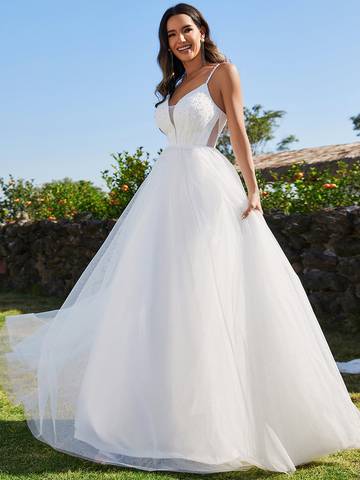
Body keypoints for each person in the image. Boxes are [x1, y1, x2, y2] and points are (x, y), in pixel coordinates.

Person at [1, 2, 360, 475]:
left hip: (205, 188)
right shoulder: (172, 85)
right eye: (170, 34)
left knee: (204, 295)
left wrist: (253, 188)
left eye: (186, 29)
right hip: (164, 194)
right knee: (154, 301)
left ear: (201, 30)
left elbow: (238, 130)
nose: (179, 39)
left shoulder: (222, 72)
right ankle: (140, 419)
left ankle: (220, 423)